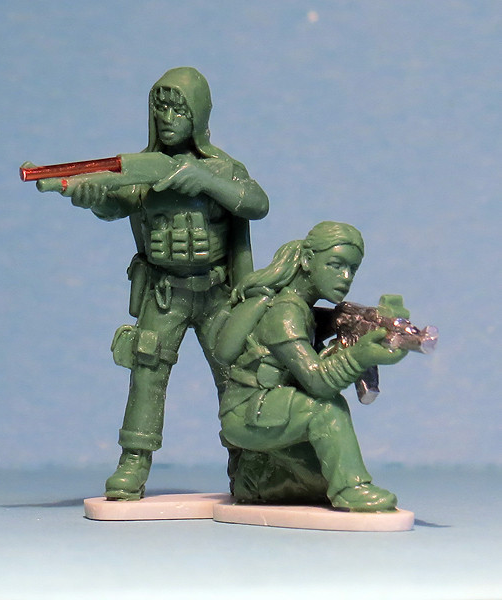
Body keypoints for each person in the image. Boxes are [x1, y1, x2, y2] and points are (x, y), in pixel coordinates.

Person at [71, 67, 269, 499]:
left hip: (217, 293)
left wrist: (206, 180)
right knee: (146, 374)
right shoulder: (144, 170)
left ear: (198, 115)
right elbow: (116, 203)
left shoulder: (224, 168)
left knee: (236, 377)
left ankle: (247, 461)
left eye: (178, 109)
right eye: (160, 108)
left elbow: (256, 203)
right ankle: (134, 461)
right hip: (164, 294)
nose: (167, 117)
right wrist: (92, 198)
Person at [216, 221, 407, 511]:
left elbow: (311, 362)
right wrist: (360, 356)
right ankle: (351, 490)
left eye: (353, 269)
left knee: (320, 481)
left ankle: (254, 483)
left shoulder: (303, 310)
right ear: (307, 260)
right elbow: (318, 383)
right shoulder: (285, 313)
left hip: (272, 408)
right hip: (249, 411)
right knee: (328, 410)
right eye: (336, 265)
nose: (345, 277)